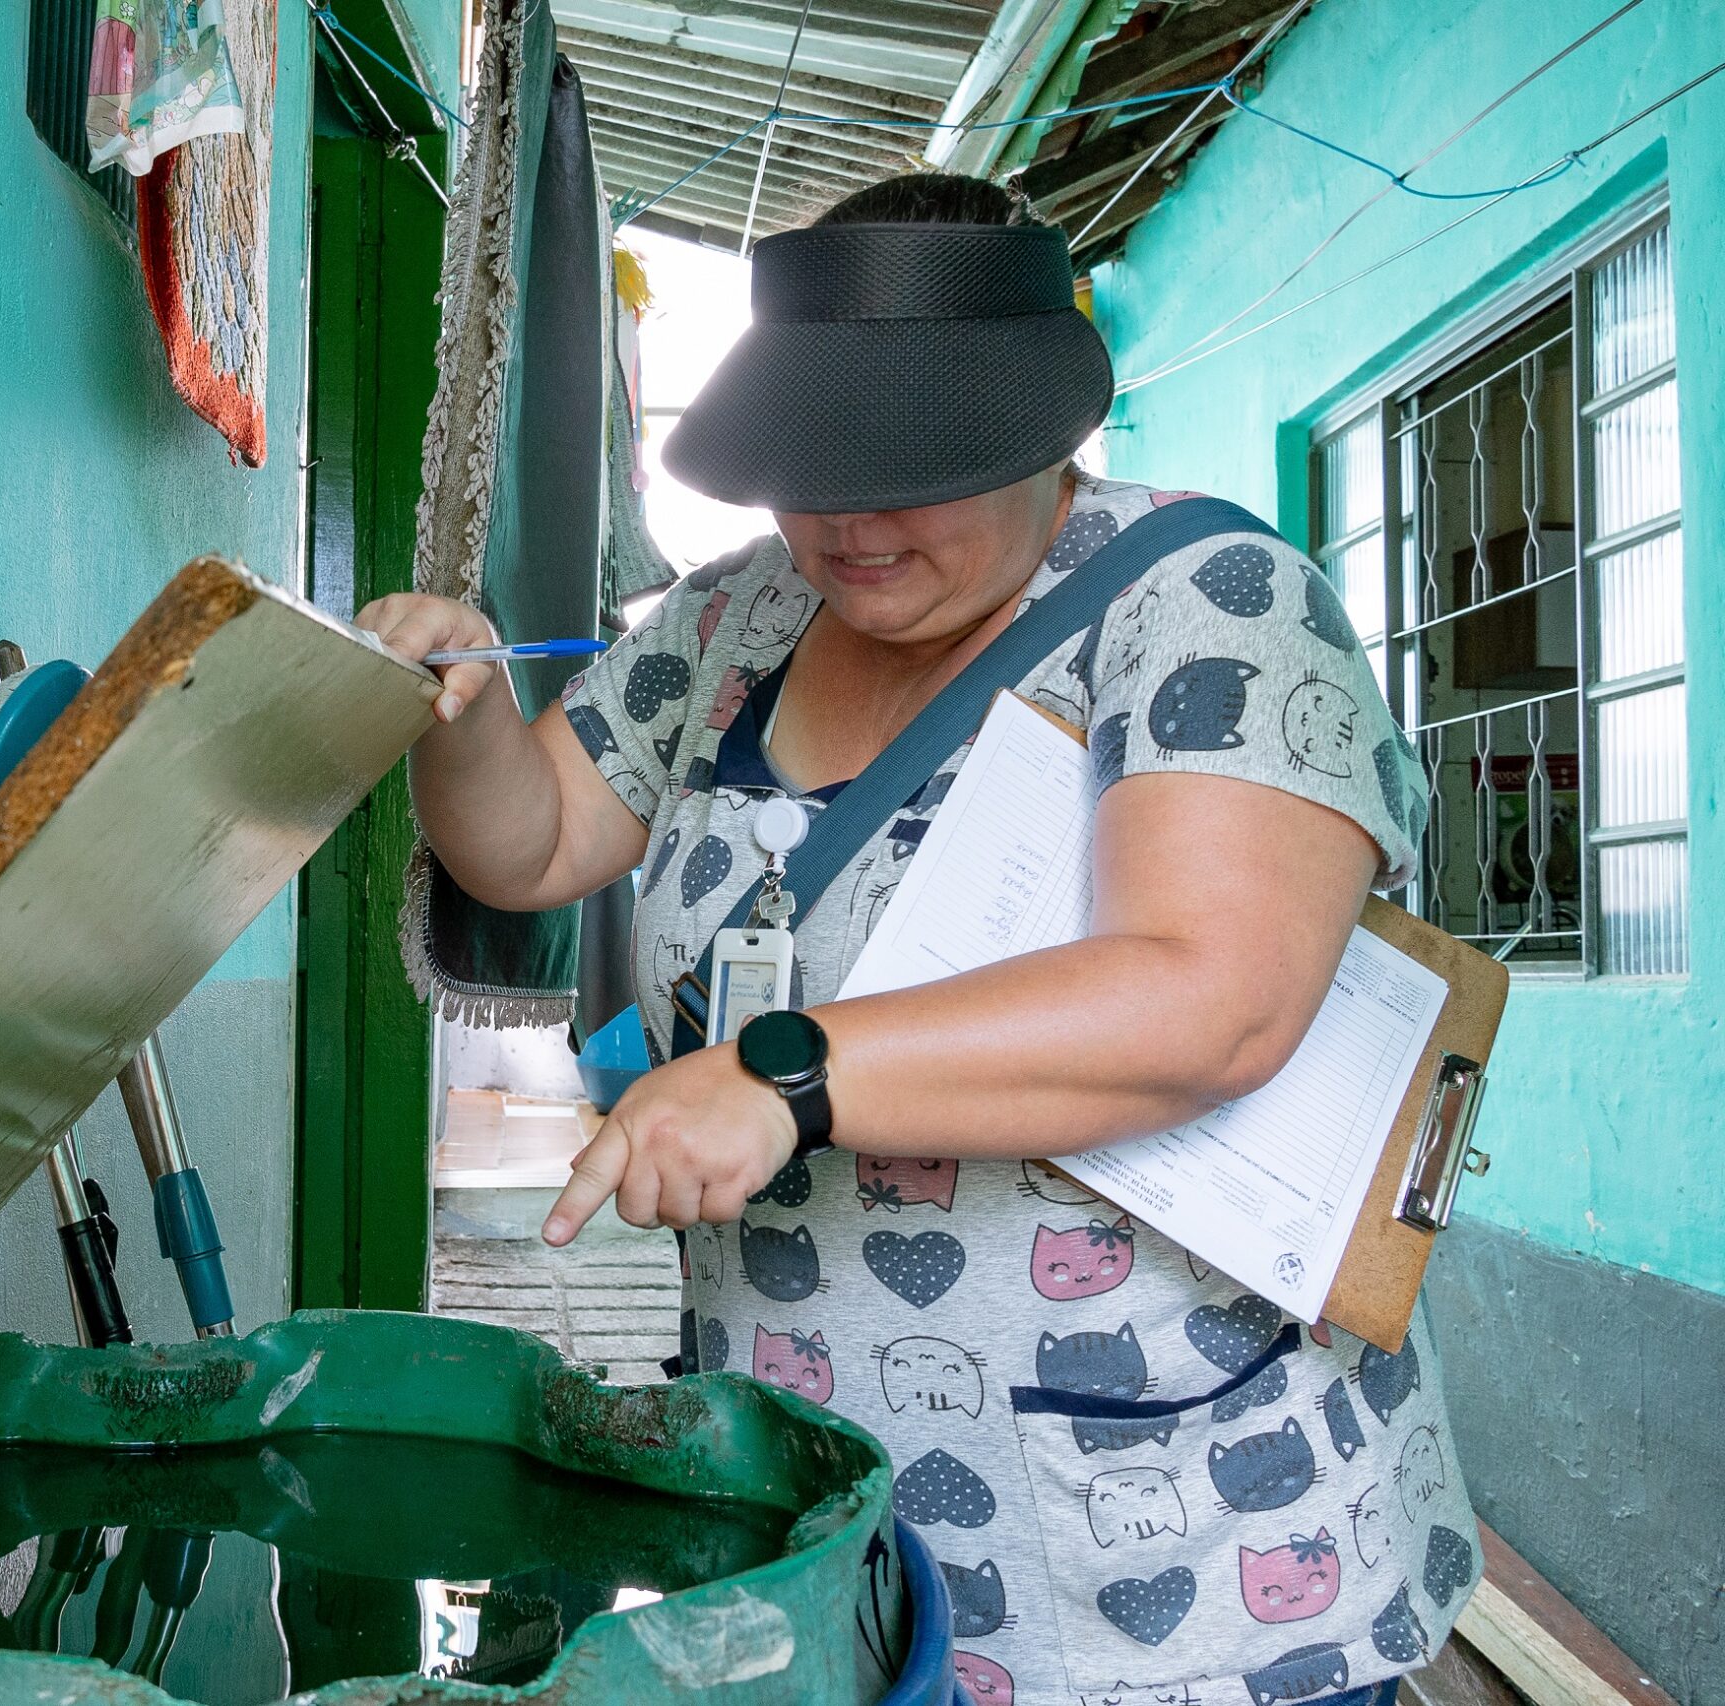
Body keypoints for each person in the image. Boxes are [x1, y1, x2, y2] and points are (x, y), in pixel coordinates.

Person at [363, 174, 1471, 1705]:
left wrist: (783, 1075)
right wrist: (465, 714)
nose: (848, 523)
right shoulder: (731, 622)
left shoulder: (1206, 601)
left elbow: (1215, 996)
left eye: (908, 471)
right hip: (833, 1530)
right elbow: (534, 842)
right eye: (809, 470)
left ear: (1043, 434)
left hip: (1175, 1558)